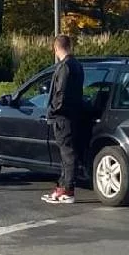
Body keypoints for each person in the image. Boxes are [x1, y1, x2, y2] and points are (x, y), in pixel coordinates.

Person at [42, 35, 84, 204]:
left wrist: (53, 110)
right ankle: (62, 186)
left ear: (56, 48)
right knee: (66, 152)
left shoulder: (64, 67)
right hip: (74, 114)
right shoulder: (78, 65)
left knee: (67, 153)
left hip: (63, 117)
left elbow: (61, 93)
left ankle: (68, 190)